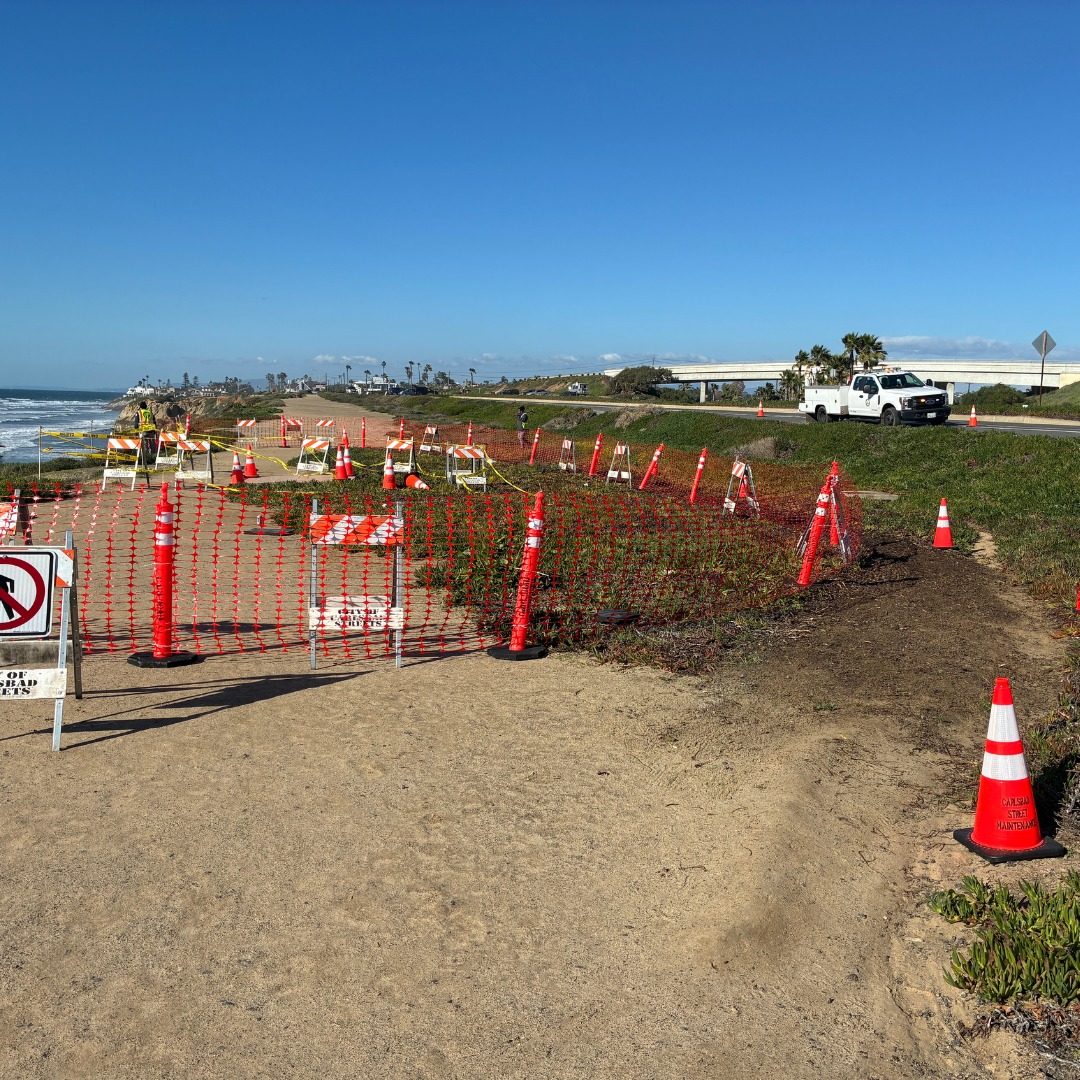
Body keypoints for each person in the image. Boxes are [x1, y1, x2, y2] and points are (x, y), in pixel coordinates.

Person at [136, 400, 157, 470]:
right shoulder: (150, 412)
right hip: (151, 431)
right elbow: (154, 422)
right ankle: (154, 459)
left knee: (144, 446)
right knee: (152, 445)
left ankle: (146, 460)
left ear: (140, 407)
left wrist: (136, 431)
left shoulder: (139, 413)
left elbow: (136, 425)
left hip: (143, 431)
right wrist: (155, 432)